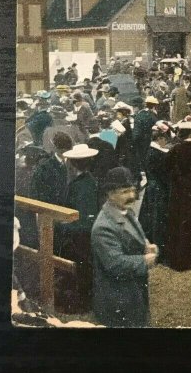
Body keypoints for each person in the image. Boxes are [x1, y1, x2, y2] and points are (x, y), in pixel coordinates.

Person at [91, 167, 158, 327]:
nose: (132, 196)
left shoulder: (125, 211)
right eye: (124, 192)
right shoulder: (103, 227)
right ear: (109, 193)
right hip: (117, 296)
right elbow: (115, 264)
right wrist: (144, 260)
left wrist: (146, 244)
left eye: (133, 190)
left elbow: (132, 236)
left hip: (132, 289)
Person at [57, 143, 100, 313]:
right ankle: (83, 301)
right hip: (82, 233)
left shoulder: (82, 186)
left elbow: (85, 217)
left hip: (81, 235)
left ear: (74, 163)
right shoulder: (87, 181)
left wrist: (64, 227)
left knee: (82, 268)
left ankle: (82, 304)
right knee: (83, 268)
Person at [164, 116, 191, 271]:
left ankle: (175, 260)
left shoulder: (175, 149)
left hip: (177, 194)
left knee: (176, 224)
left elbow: (166, 169)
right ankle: (188, 260)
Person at [139, 121, 172, 259]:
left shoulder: (150, 151)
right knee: (157, 219)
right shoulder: (159, 154)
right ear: (160, 138)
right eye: (165, 140)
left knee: (149, 218)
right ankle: (159, 250)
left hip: (151, 188)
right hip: (158, 189)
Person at [29, 131, 72, 209]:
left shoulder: (73, 163)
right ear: (56, 148)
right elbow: (36, 192)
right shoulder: (44, 167)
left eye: (67, 150)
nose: (65, 154)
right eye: (62, 151)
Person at [133, 96, 159, 174]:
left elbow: (136, 134)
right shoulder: (152, 115)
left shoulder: (139, 116)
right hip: (150, 141)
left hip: (141, 142)